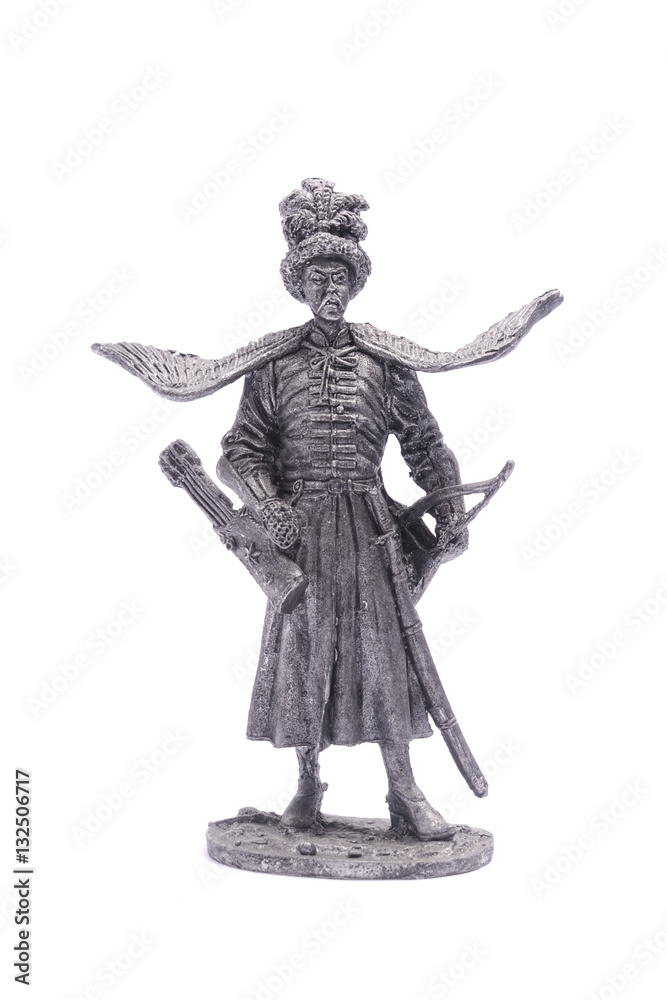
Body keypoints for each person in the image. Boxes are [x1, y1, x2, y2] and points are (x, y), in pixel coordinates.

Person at [219, 178, 471, 840]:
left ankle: (403, 791)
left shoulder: (384, 364)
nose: (328, 289)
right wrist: (267, 504)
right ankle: (307, 786)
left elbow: (424, 444)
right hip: (298, 532)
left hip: (369, 528)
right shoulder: (272, 366)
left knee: (386, 652)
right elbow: (241, 449)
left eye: (339, 277)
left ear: (355, 283)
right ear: (298, 286)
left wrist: (450, 514)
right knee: (304, 654)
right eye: (316, 278)